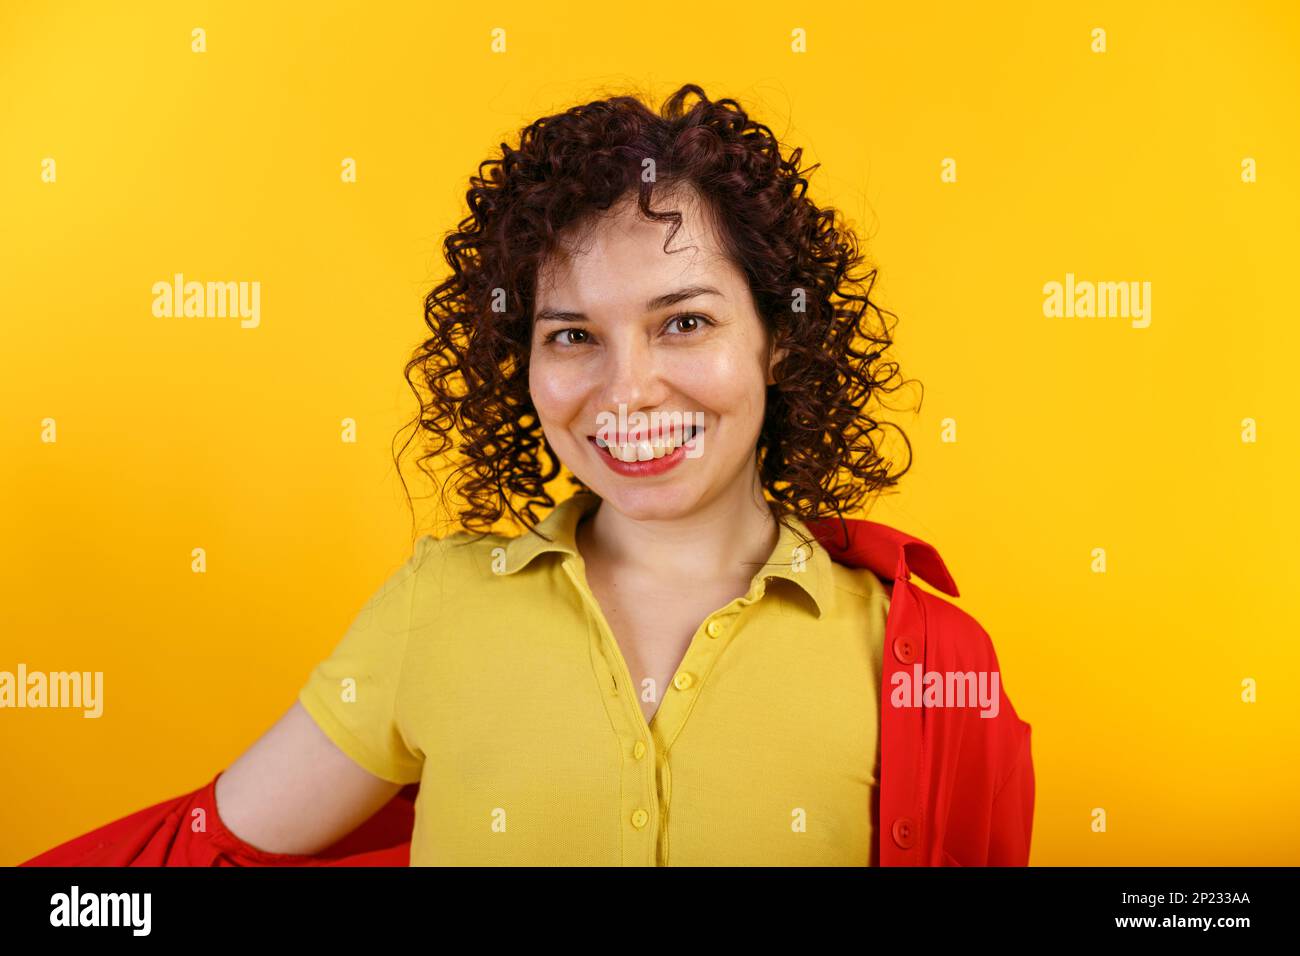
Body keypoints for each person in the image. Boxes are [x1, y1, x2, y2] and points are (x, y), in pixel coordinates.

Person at [22, 84, 1032, 867]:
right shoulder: (437, 609)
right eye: (571, 334)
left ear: (776, 340)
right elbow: (204, 849)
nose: (626, 389)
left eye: (684, 320)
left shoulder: (928, 661)